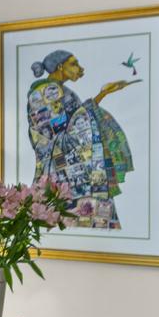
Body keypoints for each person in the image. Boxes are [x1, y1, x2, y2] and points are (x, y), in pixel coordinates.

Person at [25, 50, 136, 229]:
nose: (80, 69)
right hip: (62, 166)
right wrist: (88, 114)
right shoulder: (45, 91)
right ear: (60, 66)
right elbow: (57, 130)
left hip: (72, 165)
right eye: (74, 64)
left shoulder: (58, 89)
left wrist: (103, 94)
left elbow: (72, 119)